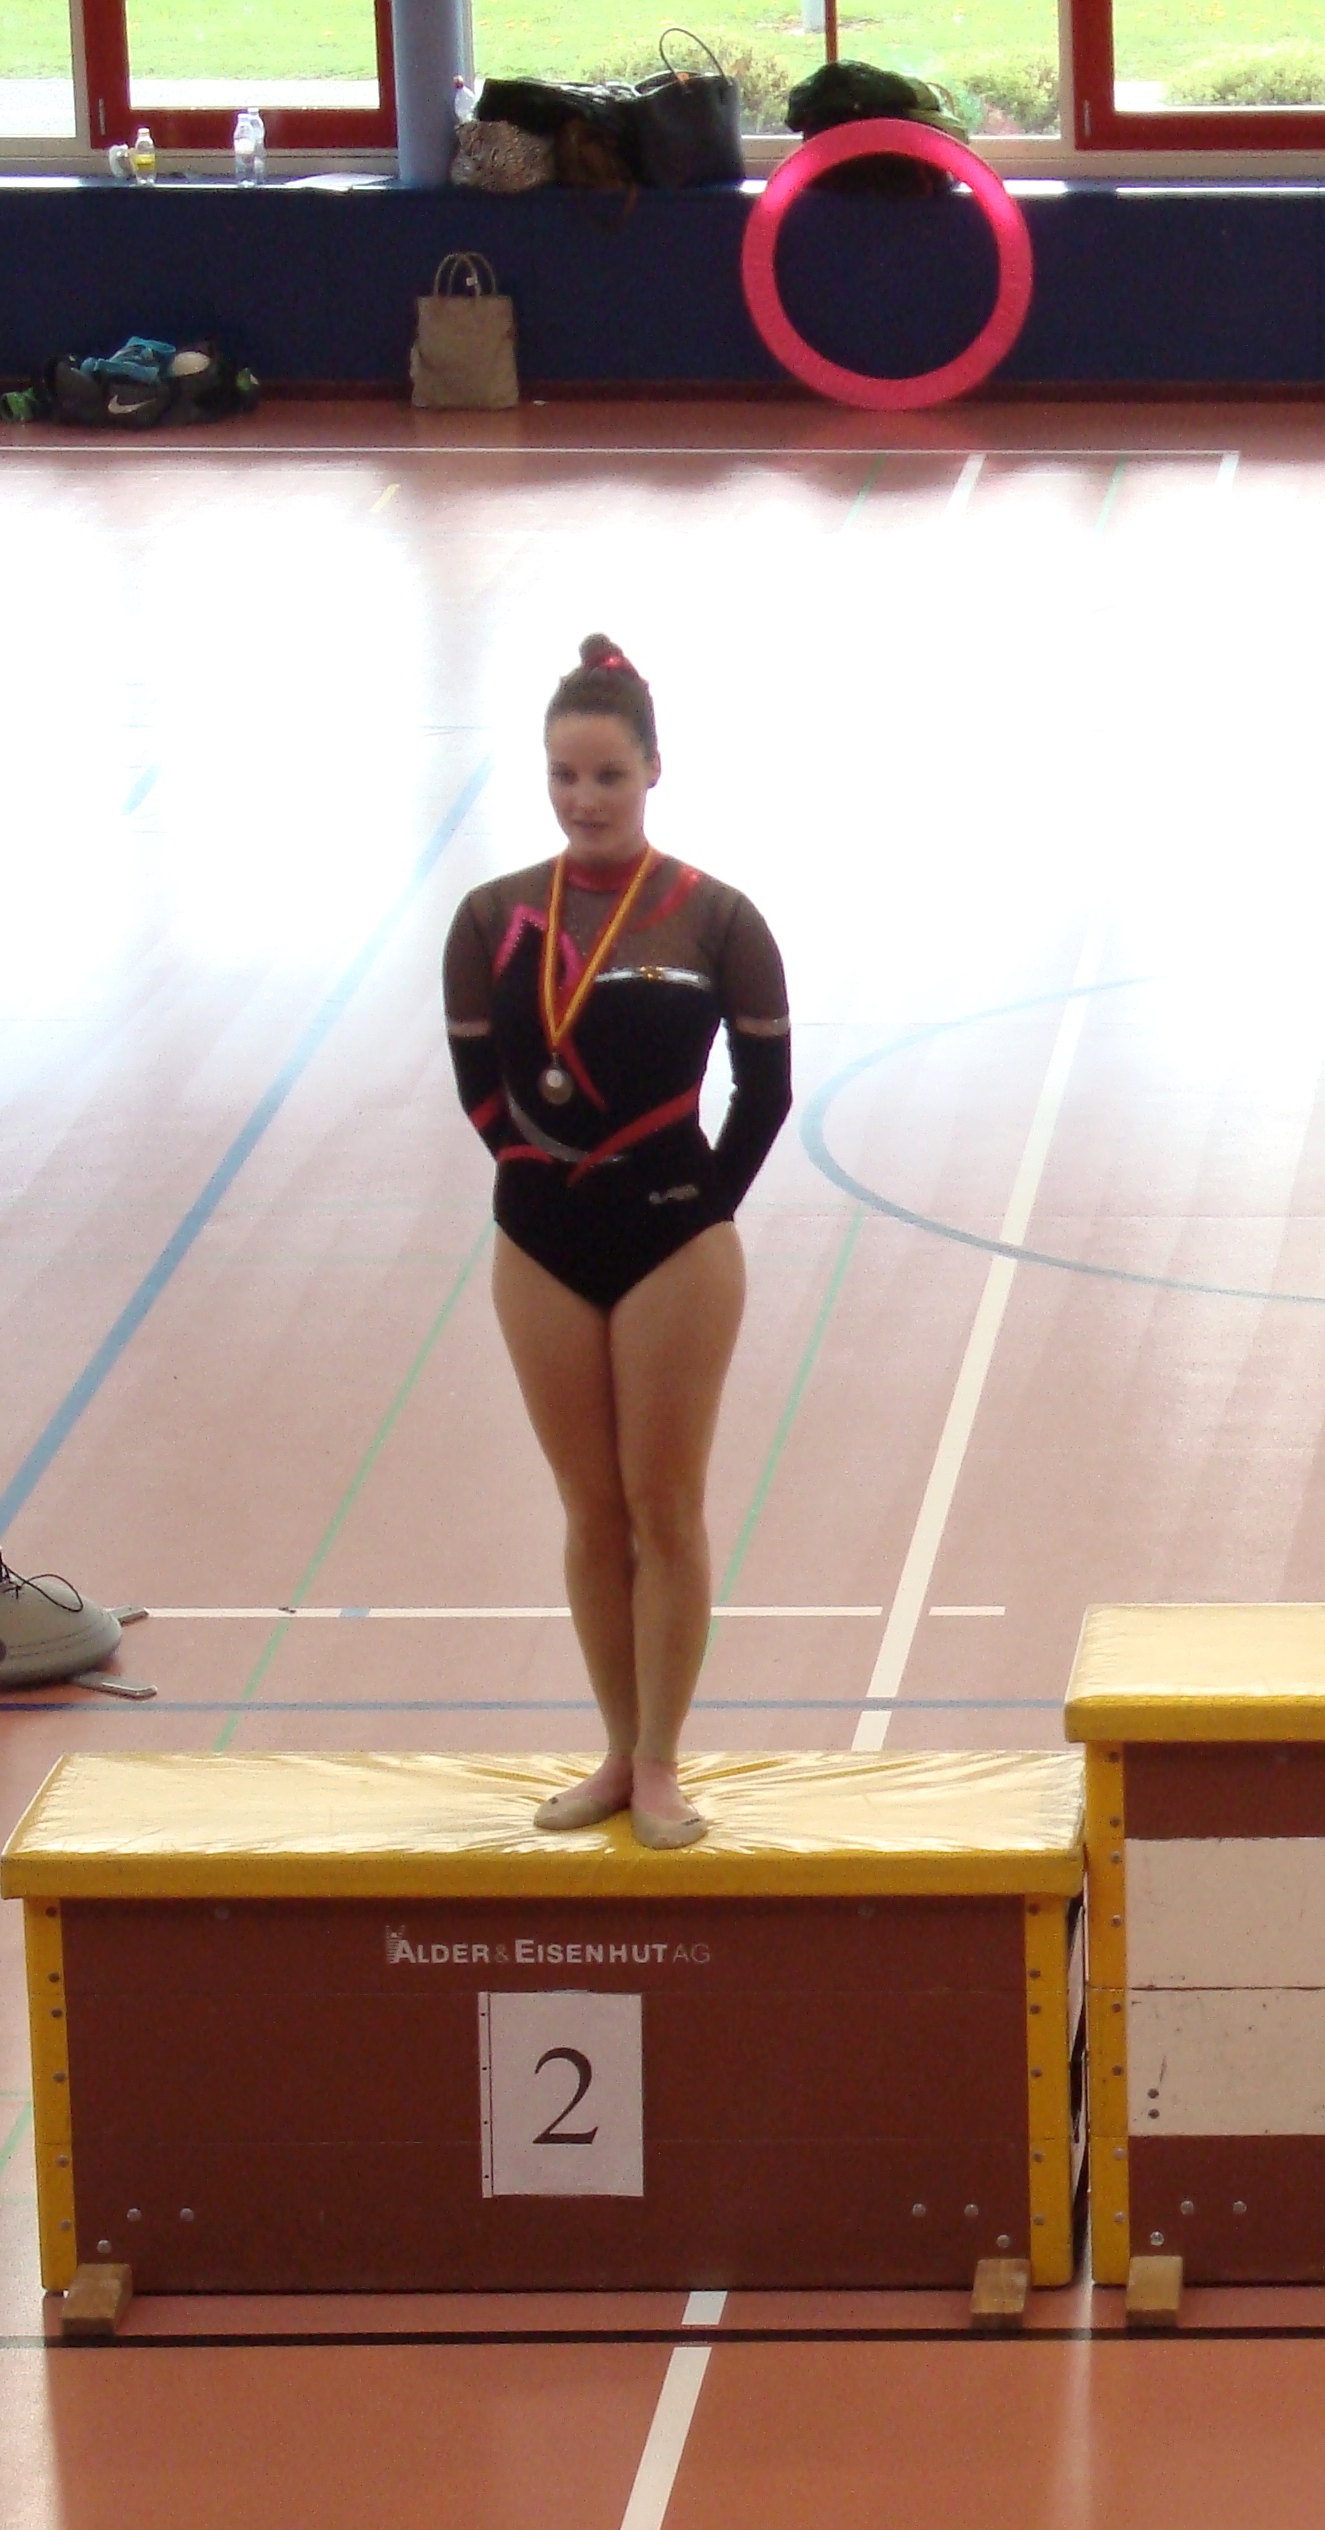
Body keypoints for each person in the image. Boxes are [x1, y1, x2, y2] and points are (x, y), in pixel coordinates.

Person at [444, 635, 791, 1848]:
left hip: (674, 1244)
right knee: (590, 1510)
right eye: (563, 776)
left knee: (664, 1505)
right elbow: (481, 1091)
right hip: (539, 1245)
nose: (584, 799)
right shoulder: (491, 918)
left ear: (652, 771)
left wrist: (698, 1207)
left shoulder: (718, 919)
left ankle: (659, 1764)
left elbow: (766, 1094)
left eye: (606, 776)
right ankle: (611, 1745)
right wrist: (540, 1186)